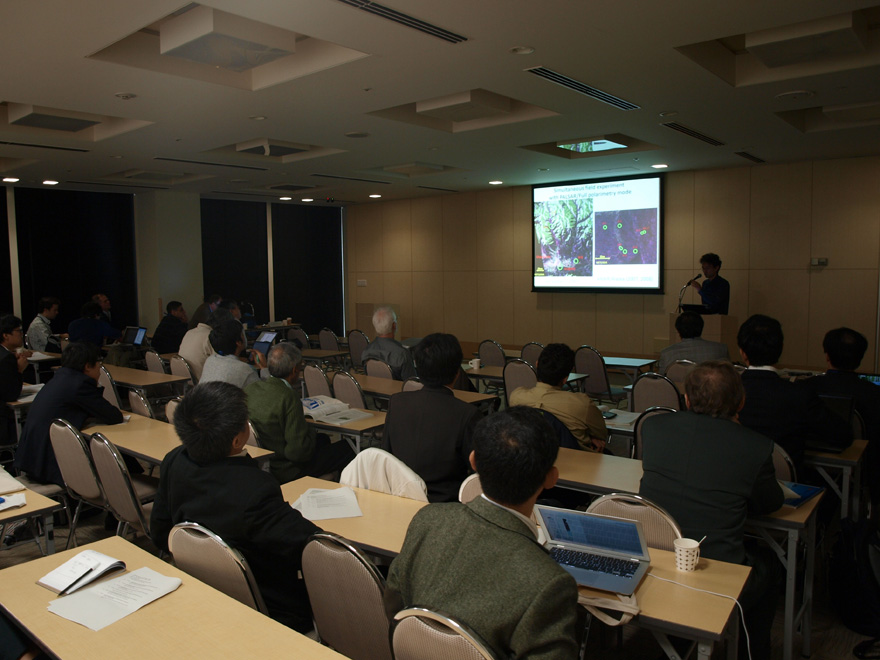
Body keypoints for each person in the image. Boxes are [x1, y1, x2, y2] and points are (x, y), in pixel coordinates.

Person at [385, 406, 580, 658]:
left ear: (473, 461)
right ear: (551, 478)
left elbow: (394, 607)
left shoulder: (427, 520)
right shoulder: (551, 584)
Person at [639, 360, 783, 660]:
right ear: (741, 402)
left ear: (687, 399)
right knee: (770, 562)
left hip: (656, 554)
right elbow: (769, 504)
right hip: (716, 566)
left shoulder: (653, 428)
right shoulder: (755, 446)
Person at [150, 381, 321, 632]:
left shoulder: (174, 460)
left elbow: (159, 534)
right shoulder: (253, 489)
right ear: (238, 439)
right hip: (265, 606)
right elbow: (311, 546)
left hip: (201, 588)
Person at [737, 314, 851, 467]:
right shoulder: (800, 395)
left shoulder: (724, 392)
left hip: (733, 479)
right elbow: (843, 436)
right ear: (780, 349)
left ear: (742, 352)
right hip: (786, 486)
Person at [382, 333, 479, 502]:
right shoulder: (467, 414)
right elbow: (476, 472)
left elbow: (384, 456)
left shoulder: (397, 403)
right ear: (458, 372)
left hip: (400, 500)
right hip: (446, 508)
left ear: (418, 368)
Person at [14, 342, 123, 485]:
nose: (100, 370)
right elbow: (114, 416)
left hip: (32, 457)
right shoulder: (80, 384)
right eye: (98, 364)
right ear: (87, 366)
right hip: (50, 462)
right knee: (110, 458)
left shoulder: (60, 378)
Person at [245, 342, 354, 484]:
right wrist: (308, 431)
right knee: (347, 448)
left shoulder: (251, 389)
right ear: (295, 370)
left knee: (323, 439)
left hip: (265, 461)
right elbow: (297, 452)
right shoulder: (288, 396)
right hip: (288, 470)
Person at [804, 327, 880, 501]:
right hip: (863, 480)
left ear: (827, 355)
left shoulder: (805, 388)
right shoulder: (875, 396)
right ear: (860, 359)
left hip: (810, 476)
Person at [509, 342, 607, 451]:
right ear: (565, 379)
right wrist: (590, 437)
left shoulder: (516, 397)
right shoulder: (582, 405)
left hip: (530, 459)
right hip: (575, 463)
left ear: (537, 365)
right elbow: (602, 434)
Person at [199, 318, 262, 389]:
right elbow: (262, 395)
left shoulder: (210, 360)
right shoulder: (245, 370)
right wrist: (264, 368)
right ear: (238, 342)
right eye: (243, 333)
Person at [658, 311, 730, 373]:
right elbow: (728, 376)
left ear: (678, 331)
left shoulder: (666, 353)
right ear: (701, 327)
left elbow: (664, 381)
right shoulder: (721, 349)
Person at [360, 306, 416, 380]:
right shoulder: (402, 354)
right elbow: (411, 382)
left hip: (374, 390)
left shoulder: (366, 351)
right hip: (398, 390)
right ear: (394, 325)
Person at [1, 315, 31, 448]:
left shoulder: (6, 355)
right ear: (6, 335)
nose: (21, 334)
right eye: (18, 331)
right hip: (5, 424)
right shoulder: (6, 359)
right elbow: (11, 394)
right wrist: (19, 370)